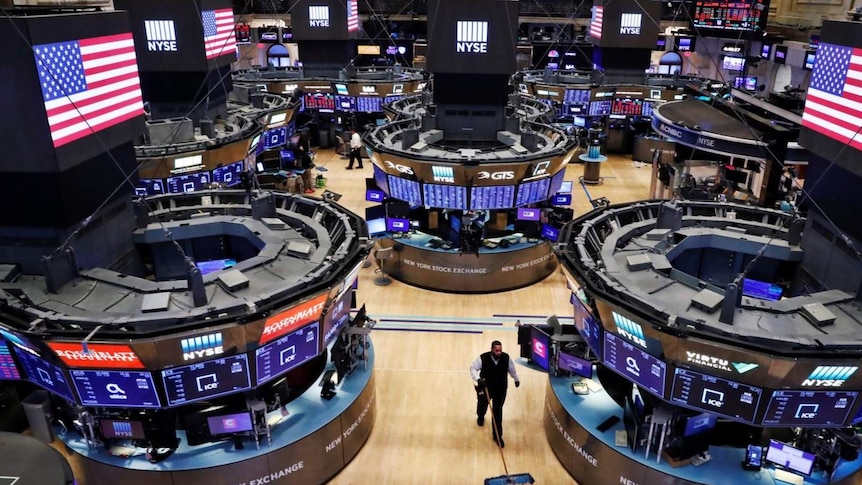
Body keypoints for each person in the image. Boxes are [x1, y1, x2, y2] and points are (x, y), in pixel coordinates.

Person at [470, 340, 519, 448]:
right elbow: (473, 368)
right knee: (482, 404)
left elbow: (512, 370)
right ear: (492, 349)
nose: (499, 352)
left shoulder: (506, 358)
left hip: (500, 389)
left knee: (497, 412)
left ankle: (497, 435)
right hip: (486, 387)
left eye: (500, 350)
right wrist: (478, 379)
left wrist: (516, 379)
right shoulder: (483, 358)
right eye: (496, 350)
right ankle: (480, 416)